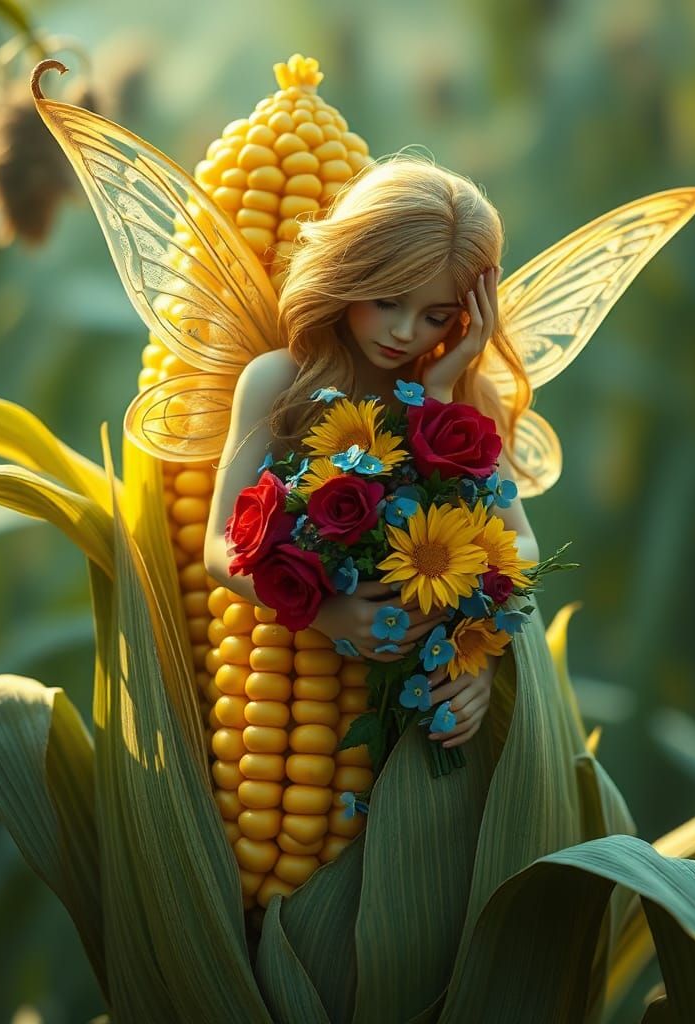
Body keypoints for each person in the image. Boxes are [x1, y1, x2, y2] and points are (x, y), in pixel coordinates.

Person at [203, 158, 539, 752]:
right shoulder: (279, 383)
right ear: (346, 274)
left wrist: (473, 652)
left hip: (418, 716)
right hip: (290, 716)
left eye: (435, 316)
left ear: (467, 317)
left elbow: (523, 546)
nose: (405, 332)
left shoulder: (465, 398)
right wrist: (327, 613)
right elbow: (218, 549)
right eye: (387, 301)